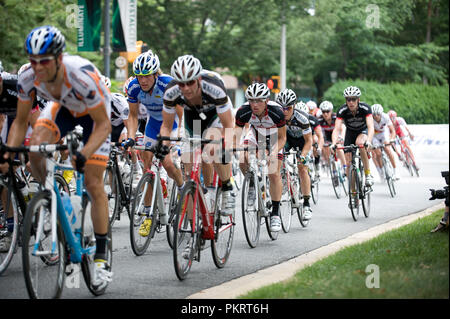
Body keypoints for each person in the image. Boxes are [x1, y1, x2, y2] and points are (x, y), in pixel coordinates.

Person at [4, 25, 113, 289]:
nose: (37, 67)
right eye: (33, 61)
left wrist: (85, 154)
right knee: (34, 150)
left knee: (92, 183)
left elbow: (104, 126)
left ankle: (100, 258)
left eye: (44, 61)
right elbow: (20, 122)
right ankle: (53, 197)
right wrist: (8, 153)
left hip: (94, 117)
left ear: (59, 58)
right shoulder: (28, 77)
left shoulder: (81, 76)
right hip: (63, 108)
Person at [161, 55, 236, 219]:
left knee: (214, 149)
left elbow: (228, 126)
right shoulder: (171, 92)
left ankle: (227, 187)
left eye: (190, 82)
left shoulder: (214, 88)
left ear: (199, 79)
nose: (186, 88)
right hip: (193, 117)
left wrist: (225, 148)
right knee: (189, 172)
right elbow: (166, 126)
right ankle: (193, 226)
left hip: (215, 114)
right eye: (181, 84)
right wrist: (164, 145)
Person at [123, 50, 185, 236]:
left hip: (172, 123)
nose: (143, 81)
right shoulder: (134, 87)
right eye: (139, 76)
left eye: (147, 76)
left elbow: (182, 114)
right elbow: (133, 116)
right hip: (152, 125)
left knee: (167, 162)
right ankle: (149, 215)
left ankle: (182, 188)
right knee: (148, 168)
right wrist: (131, 137)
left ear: (155, 73)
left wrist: (180, 138)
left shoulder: (167, 84)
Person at [0, 67, 46, 253]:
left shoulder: (16, 85)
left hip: (30, 118)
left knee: (35, 158)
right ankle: (12, 228)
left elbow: (35, 123)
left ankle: (47, 191)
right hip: (11, 121)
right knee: (4, 169)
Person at [235, 83, 287, 232]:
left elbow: (283, 138)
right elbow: (236, 133)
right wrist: (232, 146)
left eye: (258, 101)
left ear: (266, 100)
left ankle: (275, 213)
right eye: (251, 100)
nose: (254, 104)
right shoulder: (243, 111)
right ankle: (252, 183)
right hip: (256, 134)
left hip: (275, 137)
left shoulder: (277, 112)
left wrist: (273, 151)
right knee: (242, 157)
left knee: (273, 172)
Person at [276, 89, 313, 220]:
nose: (285, 111)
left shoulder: (302, 118)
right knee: (276, 162)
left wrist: (302, 156)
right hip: (287, 140)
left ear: (294, 106)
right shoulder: (277, 117)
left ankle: (307, 204)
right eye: (282, 108)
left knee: (302, 168)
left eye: (288, 108)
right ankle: (283, 182)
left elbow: (309, 141)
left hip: (303, 142)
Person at [331, 86, 374, 187]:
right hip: (350, 133)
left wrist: (369, 141)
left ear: (358, 100)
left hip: (362, 131)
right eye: (348, 99)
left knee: (360, 144)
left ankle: (368, 174)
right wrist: (333, 143)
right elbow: (336, 129)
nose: (351, 102)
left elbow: (371, 127)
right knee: (349, 164)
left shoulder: (365, 108)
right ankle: (354, 194)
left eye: (353, 99)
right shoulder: (342, 110)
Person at [296, 101, 324, 180]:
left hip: (310, 136)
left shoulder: (313, 119)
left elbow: (320, 136)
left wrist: (319, 148)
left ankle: (317, 165)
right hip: (298, 137)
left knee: (315, 139)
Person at [317, 100, 346, 175]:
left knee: (339, 148)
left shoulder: (336, 117)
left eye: (328, 111)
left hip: (336, 135)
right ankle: (333, 169)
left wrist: (342, 137)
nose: (326, 114)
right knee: (326, 150)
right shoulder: (319, 120)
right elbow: (320, 134)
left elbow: (343, 128)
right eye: (323, 112)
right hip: (326, 136)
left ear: (331, 111)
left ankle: (345, 166)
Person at [371, 104, 398, 181]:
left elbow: (392, 131)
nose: (376, 116)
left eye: (378, 114)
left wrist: (391, 139)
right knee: (378, 153)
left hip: (383, 133)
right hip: (374, 135)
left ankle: (395, 172)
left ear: (381, 113)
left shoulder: (385, 117)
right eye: (374, 115)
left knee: (388, 150)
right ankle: (382, 171)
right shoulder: (370, 119)